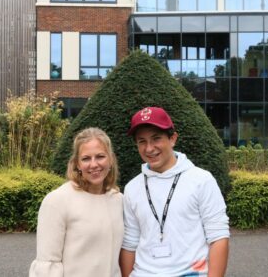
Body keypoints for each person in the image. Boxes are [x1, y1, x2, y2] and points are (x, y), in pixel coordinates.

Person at [120, 107, 229, 277]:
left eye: (156, 139)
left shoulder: (201, 180)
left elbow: (218, 237)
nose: (149, 148)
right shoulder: (132, 188)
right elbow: (129, 243)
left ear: (173, 138)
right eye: (142, 141)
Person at [29, 127, 124, 277]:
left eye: (100, 156)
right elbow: (48, 264)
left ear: (110, 159)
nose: (94, 164)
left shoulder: (118, 200)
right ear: (77, 164)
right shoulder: (57, 201)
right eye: (86, 158)